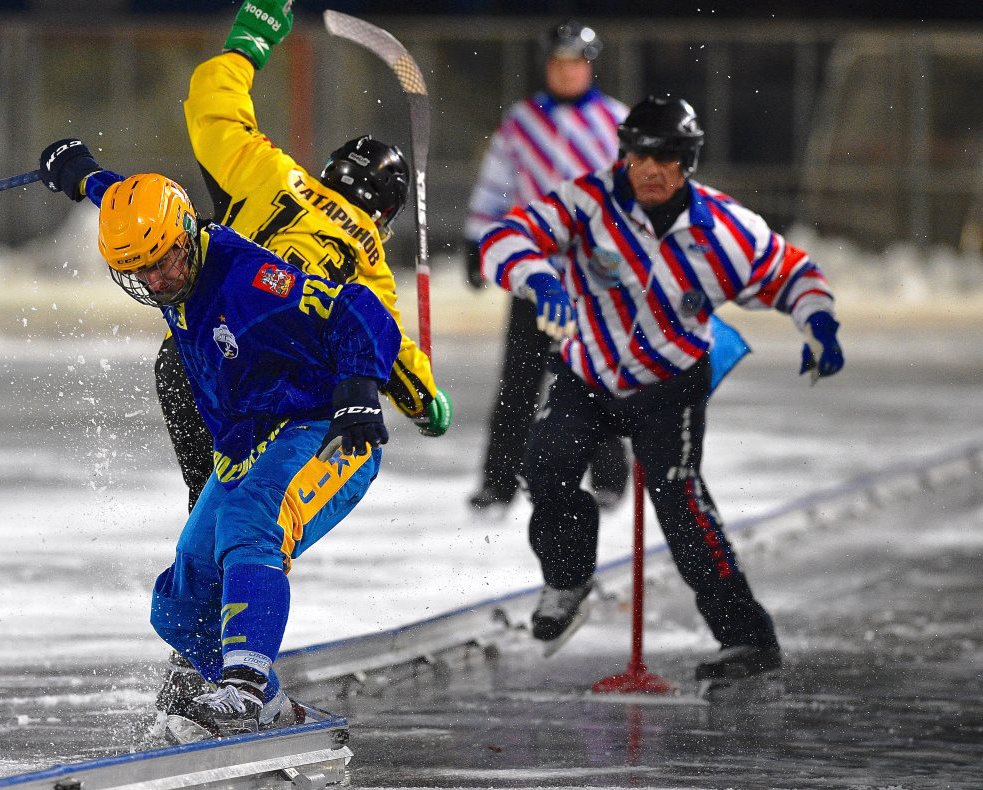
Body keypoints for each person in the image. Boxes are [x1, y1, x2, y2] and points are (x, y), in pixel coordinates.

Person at [38, 142, 401, 739]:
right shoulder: (165, 243)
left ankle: (244, 689)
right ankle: (275, 711)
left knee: (250, 520)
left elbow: (357, 307)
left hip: (323, 431)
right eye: (139, 272)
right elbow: (128, 202)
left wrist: (361, 387)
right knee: (181, 599)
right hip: (249, 441)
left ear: (186, 236)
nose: (156, 281)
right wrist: (83, 178)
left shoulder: (250, 280)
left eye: (163, 263)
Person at [478, 95, 845, 681]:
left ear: (689, 161)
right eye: (639, 155)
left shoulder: (725, 229)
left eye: (668, 157)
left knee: (681, 504)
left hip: (670, 383)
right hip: (587, 373)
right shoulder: (586, 202)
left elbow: (792, 272)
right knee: (545, 469)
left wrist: (818, 321)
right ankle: (569, 577)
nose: (651, 169)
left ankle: (748, 639)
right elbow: (505, 238)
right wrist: (538, 277)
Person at [148, 0, 448, 514]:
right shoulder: (368, 250)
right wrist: (425, 400)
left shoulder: (271, 173)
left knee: (178, 362)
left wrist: (249, 42)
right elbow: (383, 342)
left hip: (209, 353)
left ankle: (205, 506)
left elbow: (211, 103)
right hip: (285, 394)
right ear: (387, 210)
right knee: (261, 505)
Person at [463, 20, 631, 514]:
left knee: (594, 375)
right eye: (558, 63)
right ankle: (499, 481)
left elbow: (632, 194)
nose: (566, 72)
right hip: (533, 270)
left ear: (589, 66)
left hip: (595, 275)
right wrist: (479, 240)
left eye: (575, 63)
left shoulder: (616, 122)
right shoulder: (522, 122)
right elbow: (496, 186)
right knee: (518, 379)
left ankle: (609, 476)